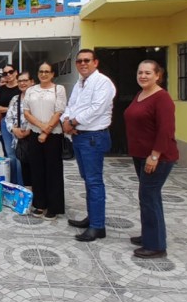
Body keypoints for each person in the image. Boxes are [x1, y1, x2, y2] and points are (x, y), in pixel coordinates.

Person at [124, 60, 179, 258]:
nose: (143, 76)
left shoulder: (162, 98)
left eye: (148, 73)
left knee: (149, 197)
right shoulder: (141, 94)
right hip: (140, 155)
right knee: (148, 197)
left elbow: (166, 130)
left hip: (157, 157)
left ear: (158, 75)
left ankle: (156, 245)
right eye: (140, 72)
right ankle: (150, 234)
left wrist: (155, 155)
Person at [62, 49, 116, 241]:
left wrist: (73, 122)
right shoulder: (80, 83)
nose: (83, 64)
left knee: (94, 181)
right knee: (87, 179)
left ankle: (97, 226)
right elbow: (71, 105)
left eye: (87, 60)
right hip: (80, 136)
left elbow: (96, 109)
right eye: (79, 61)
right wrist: (66, 119)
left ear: (95, 62)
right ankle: (93, 218)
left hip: (93, 137)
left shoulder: (103, 82)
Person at [22, 62, 67, 220]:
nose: (44, 74)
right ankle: (40, 204)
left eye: (47, 71)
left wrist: (46, 131)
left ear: (52, 74)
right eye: (41, 71)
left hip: (53, 135)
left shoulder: (58, 89)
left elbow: (58, 111)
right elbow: (26, 113)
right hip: (35, 133)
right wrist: (41, 128)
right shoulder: (30, 90)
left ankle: (54, 207)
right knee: (37, 170)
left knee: (53, 171)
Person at [5, 71, 34, 190]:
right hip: (20, 141)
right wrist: (13, 129)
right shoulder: (15, 99)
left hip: (35, 138)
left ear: (32, 82)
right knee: (25, 169)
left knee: (37, 170)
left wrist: (29, 131)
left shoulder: (38, 98)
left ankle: (40, 200)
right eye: (20, 81)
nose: (22, 83)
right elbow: (8, 118)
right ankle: (29, 198)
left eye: (25, 80)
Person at [0, 64, 21, 182]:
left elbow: (24, 106)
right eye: (5, 73)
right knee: (10, 154)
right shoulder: (3, 89)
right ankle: (13, 182)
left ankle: (22, 183)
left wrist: (5, 108)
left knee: (20, 153)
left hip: (21, 123)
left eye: (10, 72)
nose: (8, 75)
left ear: (16, 72)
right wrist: (11, 108)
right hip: (5, 123)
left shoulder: (22, 87)